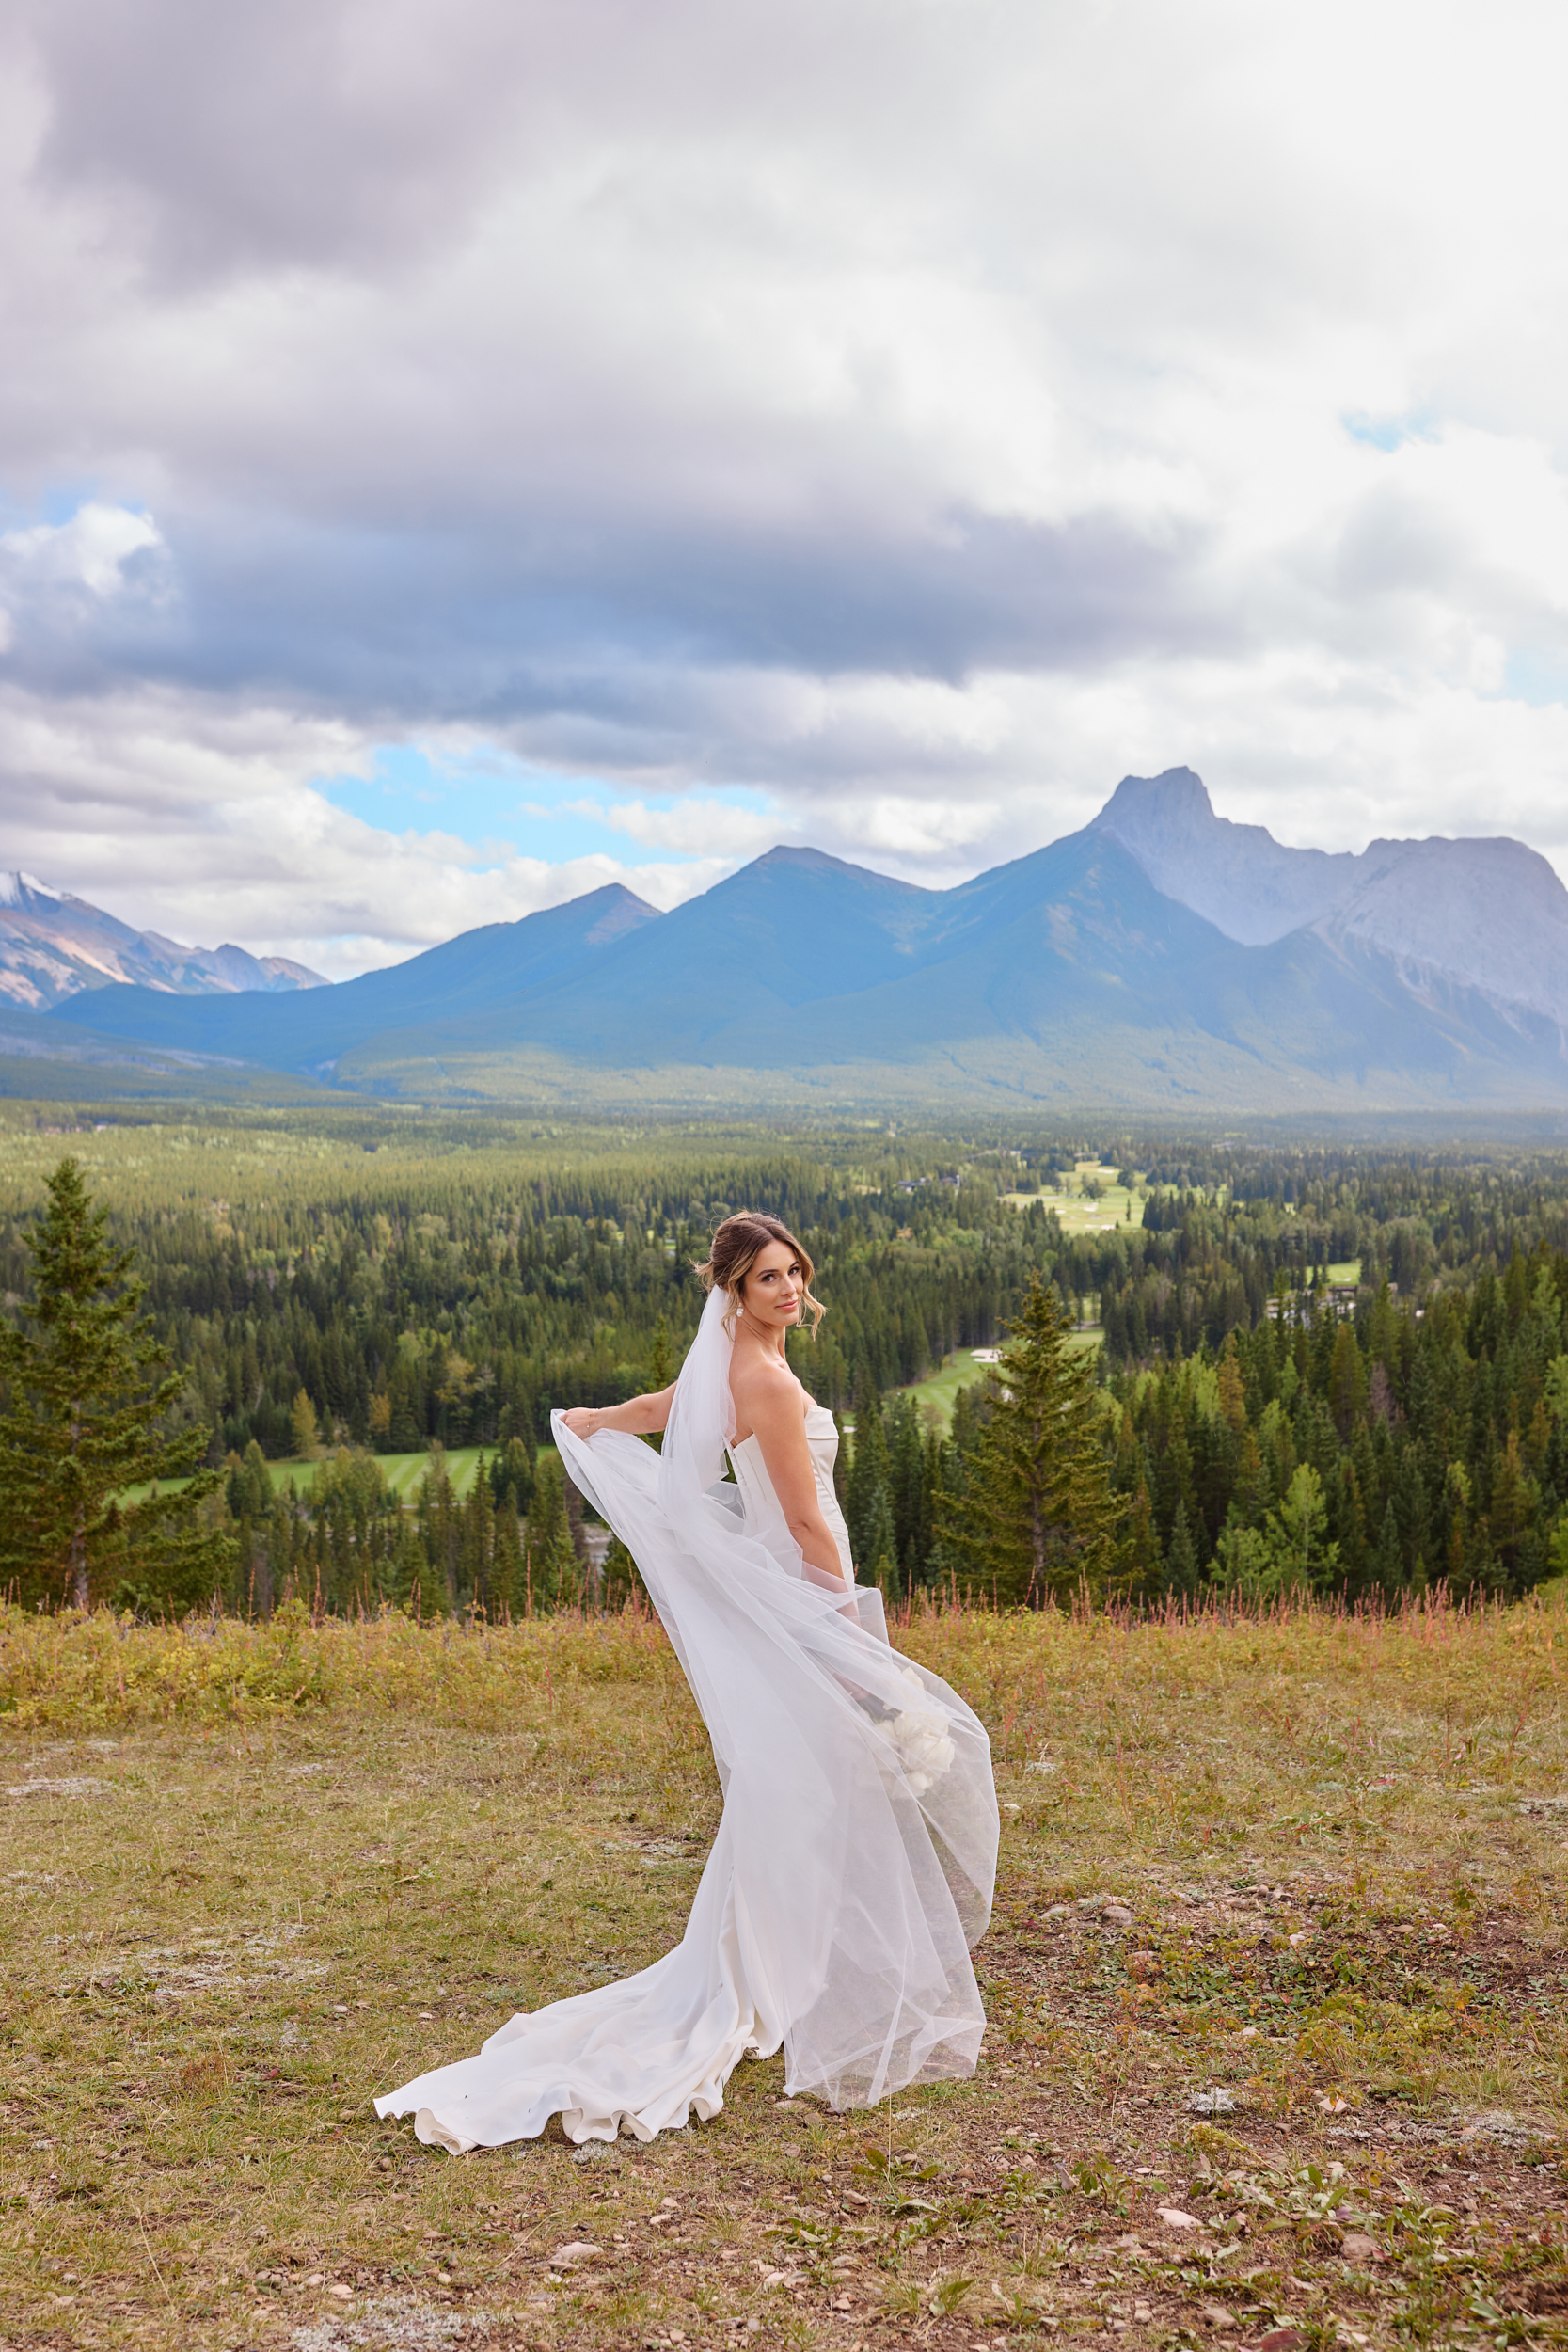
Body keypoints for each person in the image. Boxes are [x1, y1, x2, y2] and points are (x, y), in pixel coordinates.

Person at [374, 1212, 998, 2152]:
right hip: (805, 1597)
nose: (786, 1290)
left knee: (793, 1788)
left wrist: (596, 1419)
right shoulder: (768, 1384)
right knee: (809, 1791)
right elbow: (804, 1526)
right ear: (732, 1293)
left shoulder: (735, 1368)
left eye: (792, 1272)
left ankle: (768, 1966)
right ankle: (767, 1976)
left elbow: (668, 1405)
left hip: (792, 1597)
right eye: (765, 1280)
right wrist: (846, 1641)